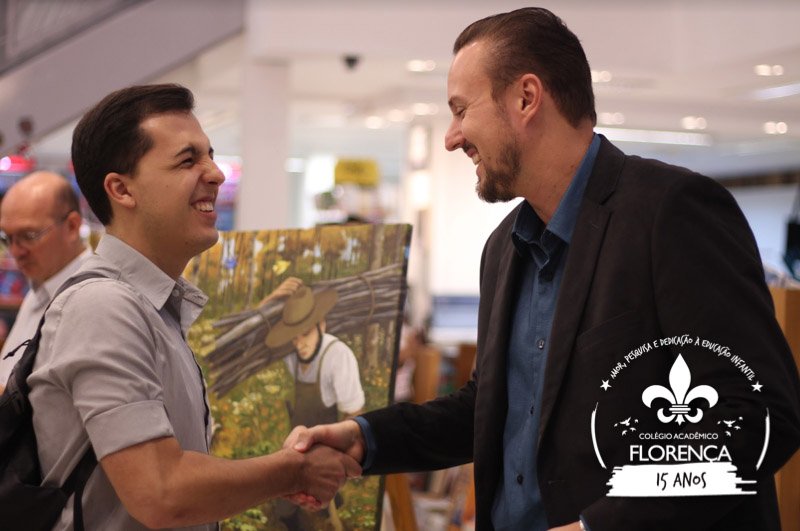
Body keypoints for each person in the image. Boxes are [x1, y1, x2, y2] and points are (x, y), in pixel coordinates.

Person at [284, 7, 800, 531]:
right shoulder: (503, 249)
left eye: (461, 110)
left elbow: (759, 415)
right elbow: (485, 410)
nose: (451, 136)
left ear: (526, 98)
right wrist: (366, 438)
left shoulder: (672, 213)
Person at [27, 84, 360, 530]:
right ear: (122, 190)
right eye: (188, 160)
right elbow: (162, 492)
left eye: (209, 155)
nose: (216, 174)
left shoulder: (154, 307)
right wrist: (294, 469)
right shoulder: (104, 306)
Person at [0, 171, 92, 392]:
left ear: (72, 226)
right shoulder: (39, 287)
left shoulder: (92, 300)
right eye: (7, 238)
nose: (15, 251)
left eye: (29, 236)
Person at [266, 284, 365, 427]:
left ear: (322, 326)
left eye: (306, 333)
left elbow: (354, 413)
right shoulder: (291, 355)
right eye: (294, 337)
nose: (299, 345)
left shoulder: (337, 356)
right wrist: (269, 299)